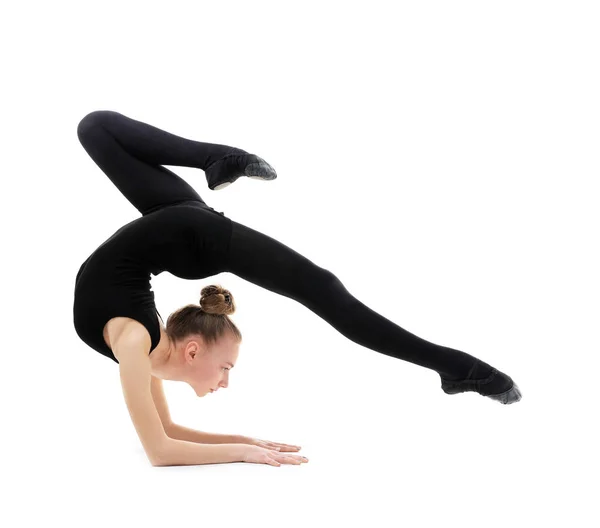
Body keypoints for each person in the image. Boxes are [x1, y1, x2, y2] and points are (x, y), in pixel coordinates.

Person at [72, 110, 521, 466]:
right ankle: (215, 158)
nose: (226, 380)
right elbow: (166, 432)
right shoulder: (147, 354)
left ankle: (456, 367)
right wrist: (248, 440)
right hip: (171, 222)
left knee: (323, 289)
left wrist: (245, 455)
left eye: (225, 368)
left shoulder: (133, 344)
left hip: (189, 237)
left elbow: (158, 454)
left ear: (192, 351)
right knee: (94, 127)